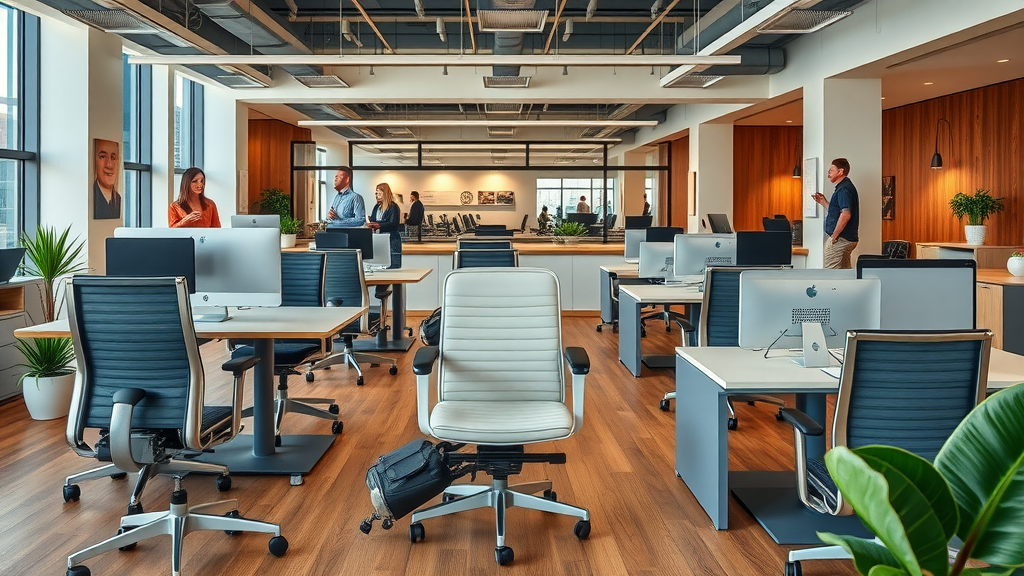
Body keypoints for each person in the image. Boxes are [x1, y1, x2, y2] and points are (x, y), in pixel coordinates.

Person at [813, 157, 859, 269]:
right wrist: (824, 203)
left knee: (831, 275)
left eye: (831, 170)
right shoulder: (844, 187)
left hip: (840, 239)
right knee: (844, 276)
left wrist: (834, 237)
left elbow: (846, 215)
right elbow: (838, 212)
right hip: (847, 239)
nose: (828, 172)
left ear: (840, 171)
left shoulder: (844, 189)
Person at [368, 182, 402, 268]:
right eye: (376, 193)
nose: (377, 195)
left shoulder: (393, 207)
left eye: (379, 193)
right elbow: (373, 219)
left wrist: (378, 225)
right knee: (379, 264)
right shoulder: (377, 207)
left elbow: (393, 223)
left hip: (391, 239)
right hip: (379, 239)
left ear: (385, 193)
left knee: (393, 265)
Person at [93, 139, 122, 220]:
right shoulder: (91, 196)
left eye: (113, 158)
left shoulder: (118, 199)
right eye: (102, 156)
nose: (109, 165)